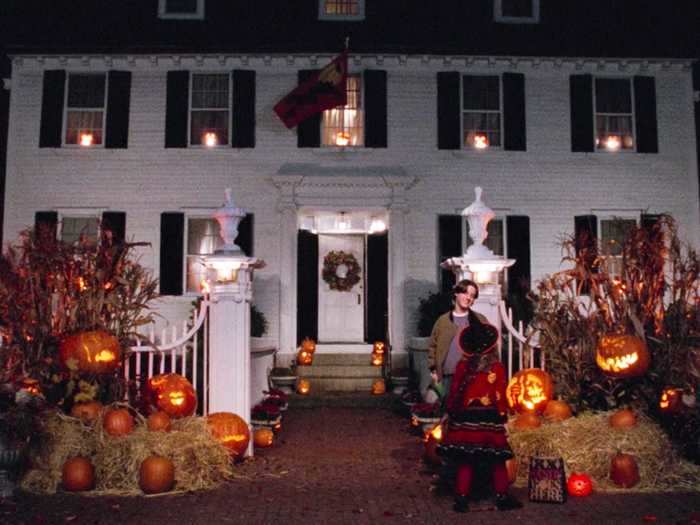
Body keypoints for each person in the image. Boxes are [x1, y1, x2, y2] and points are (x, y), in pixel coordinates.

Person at [436, 315, 522, 513]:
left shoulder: (462, 367)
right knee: (497, 459)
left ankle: (462, 498)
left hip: (465, 419)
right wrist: (503, 414)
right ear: (491, 347)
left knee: (465, 459)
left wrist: (450, 413)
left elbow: (455, 391)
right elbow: (500, 393)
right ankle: (501, 496)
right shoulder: (497, 368)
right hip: (489, 419)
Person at [427, 279, 488, 396]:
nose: (468, 298)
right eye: (465, 293)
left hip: (470, 374)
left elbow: (489, 346)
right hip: (447, 373)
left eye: (472, 296)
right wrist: (433, 369)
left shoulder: (480, 320)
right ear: (456, 293)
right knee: (444, 407)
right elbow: (432, 347)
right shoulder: (443, 321)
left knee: (467, 410)